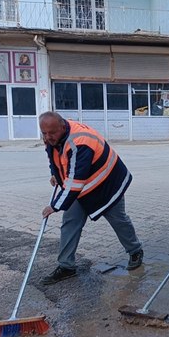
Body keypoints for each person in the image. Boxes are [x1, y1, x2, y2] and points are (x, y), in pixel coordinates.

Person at [39, 112, 143, 285]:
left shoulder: (80, 142)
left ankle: (135, 250)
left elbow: (76, 180)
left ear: (62, 127)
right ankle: (66, 266)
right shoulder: (52, 135)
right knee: (70, 221)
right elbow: (54, 157)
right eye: (44, 133)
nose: (48, 137)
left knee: (118, 220)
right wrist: (55, 174)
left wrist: (55, 205)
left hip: (107, 183)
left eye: (51, 133)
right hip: (81, 186)